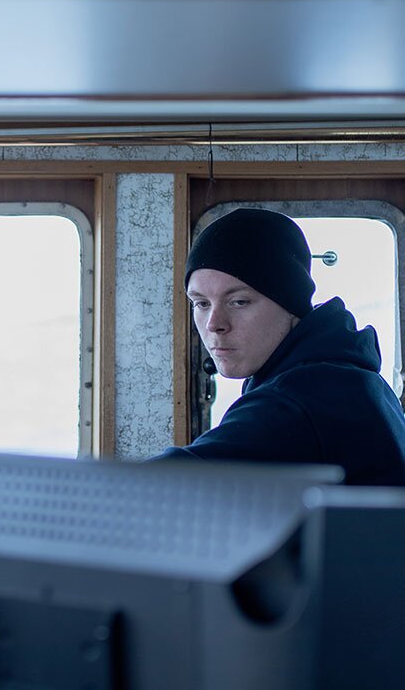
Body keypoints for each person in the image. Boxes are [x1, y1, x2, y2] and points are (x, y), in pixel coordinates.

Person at [157, 208, 405, 485]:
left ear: (290, 305)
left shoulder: (303, 398)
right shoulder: (350, 375)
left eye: (239, 301)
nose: (214, 324)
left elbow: (168, 485)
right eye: (201, 303)